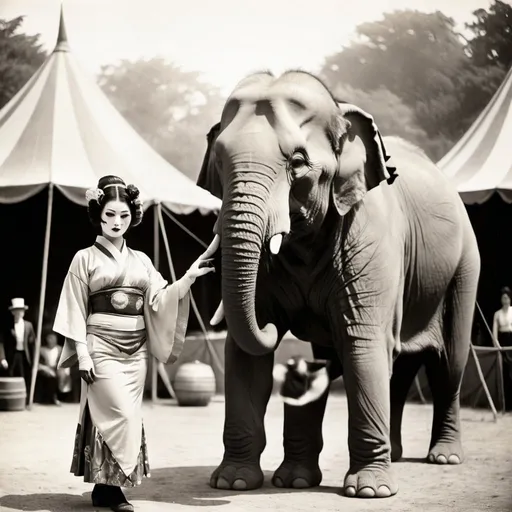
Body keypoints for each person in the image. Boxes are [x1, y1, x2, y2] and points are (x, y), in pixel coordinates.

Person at [53, 175, 218, 512]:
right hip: (100, 347)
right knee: (117, 415)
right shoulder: (83, 258)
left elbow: (159, 299)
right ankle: (113, 492)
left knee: (129, 416)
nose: (117, 222)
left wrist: (186, 278)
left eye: (124, 216)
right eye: (110, 214)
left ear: (132, 217)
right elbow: (73, 307)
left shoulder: (141, 260)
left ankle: (104, 488)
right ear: (98, 214)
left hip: (135, 351)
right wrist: (82, 353)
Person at [0, 298, 35, 404]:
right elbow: (1, 342)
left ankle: (25, 401)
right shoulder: (7, 326)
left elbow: (33, 343)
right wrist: (2, 358)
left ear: (24, 312)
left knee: (25, 377)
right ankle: (10, 402)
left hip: (25, 355)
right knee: (11, 376)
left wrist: (35, 360)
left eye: (21, 310)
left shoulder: (28, 325)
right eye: (16, 310)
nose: (19, 313)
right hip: (12, 355)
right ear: (12, 312)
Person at [37, 330, 72, 405]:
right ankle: (52, 398)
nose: (52, 340)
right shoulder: (41, 350)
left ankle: (61, 397)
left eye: (53, 338)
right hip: (45, 369)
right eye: (50, 338)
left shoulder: (60, 349)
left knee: (63, 375)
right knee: (51, 377)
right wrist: (46, 369)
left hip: (57, 369)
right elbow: (38, 364)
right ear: (46, 339)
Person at [492, 286, 512, 410]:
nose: (505, 300)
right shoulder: (497, 314)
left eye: (507, 297)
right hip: (503, 343)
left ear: (510, 299)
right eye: (503, 298)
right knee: (504, 374)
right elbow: (494, 332)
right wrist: (497, 344)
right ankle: (506, 405)